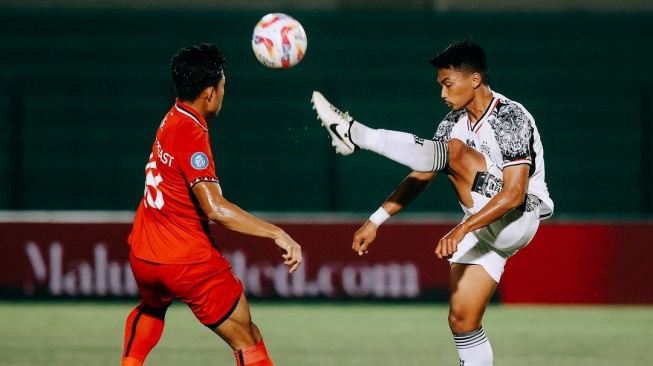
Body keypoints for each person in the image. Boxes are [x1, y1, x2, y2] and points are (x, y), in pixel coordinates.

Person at [311, 39, 553, 366]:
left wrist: (461, 229)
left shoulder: (510, 116)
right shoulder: (451, 123)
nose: (442, 93)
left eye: (448, 84)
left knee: (454, 152)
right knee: (462, 321)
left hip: (519, 217)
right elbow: (422, 173)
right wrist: (376, 220)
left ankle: (358, 135)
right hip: (484, 230)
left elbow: (513, 195)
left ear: (475, 80)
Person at [122, 43, 302, 366]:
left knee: (151, 306)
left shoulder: (172, 117)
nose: (223, 91)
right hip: (185, 261)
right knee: (247, 337)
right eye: (222, 85)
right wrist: (276, 233)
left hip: (144, 252)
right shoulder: (191, 133)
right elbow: (214, 209)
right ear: (208, 93)